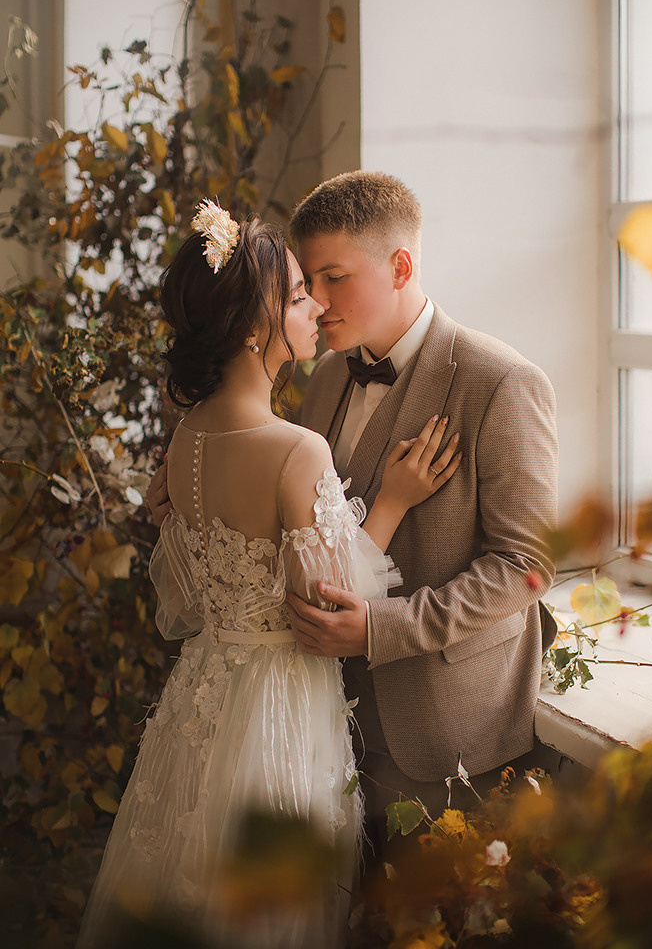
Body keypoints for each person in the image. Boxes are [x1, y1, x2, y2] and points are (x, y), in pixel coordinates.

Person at [79, 202, 461, 949]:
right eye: (294, 295)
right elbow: (330, 610)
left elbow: (187, 600)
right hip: (278, 706)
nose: (315, 304)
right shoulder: (294, 450)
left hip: (203, 690)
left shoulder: (186, 438)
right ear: (254, 329)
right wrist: (391, 500)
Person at [284, 171, 559, 852]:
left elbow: (526, 568)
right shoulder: (323, 379)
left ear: (400, 265)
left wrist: (383, 629)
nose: (315, 303)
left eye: (333, 278)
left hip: (447, 730)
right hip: (325, 721)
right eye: (307, 282)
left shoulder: (501, 381)